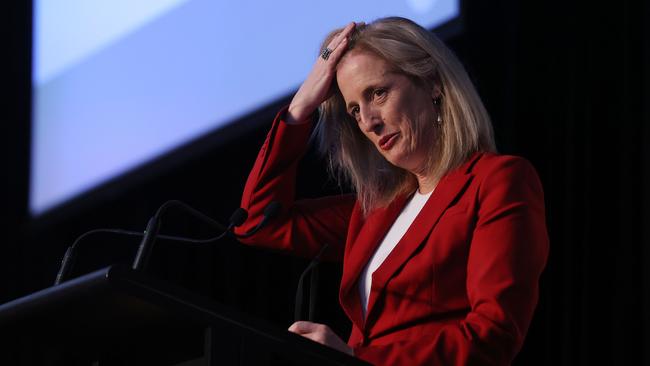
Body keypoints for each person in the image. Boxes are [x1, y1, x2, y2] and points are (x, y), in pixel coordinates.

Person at [234, 17, 549, 365]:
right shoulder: (374, 211)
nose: (368, 121)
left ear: (431, 83)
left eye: (377, 93)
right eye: (355, 110)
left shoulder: (498, 181)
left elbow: (494, 334)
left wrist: (356, 358)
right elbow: (257, 222)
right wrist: (301, 107)